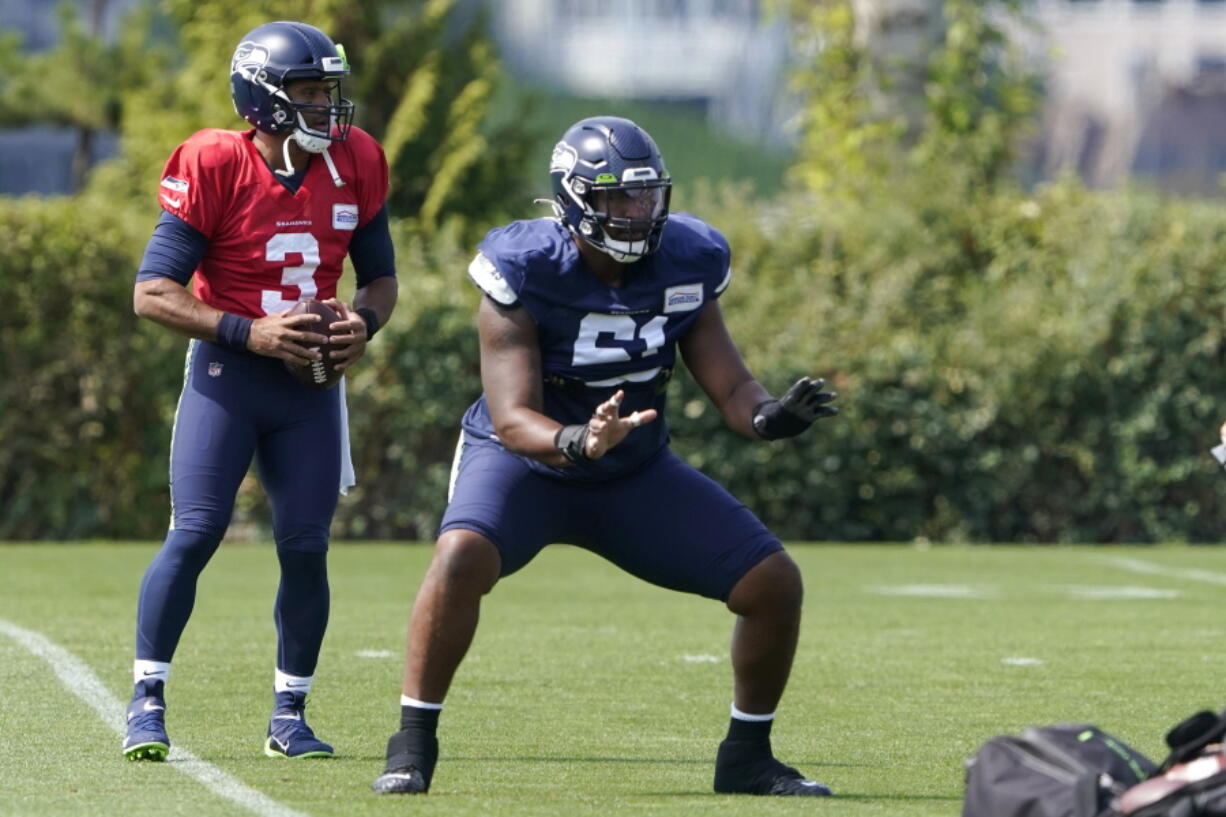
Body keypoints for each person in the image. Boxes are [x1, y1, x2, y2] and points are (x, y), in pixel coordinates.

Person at [372, 116, 838, 797]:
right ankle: (412, 743)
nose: (637, 212)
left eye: (646, 196)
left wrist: (769, 417)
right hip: (527, 465)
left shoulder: (689, 258)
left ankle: (747, 757)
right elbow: (510, 416)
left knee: (773, 583)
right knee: (459, 555)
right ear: (574, 198)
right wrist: (575, 441)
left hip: (633, 472)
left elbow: (730, 383)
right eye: (619, 197)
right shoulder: (523, 264)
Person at [122, 20, 398, 762]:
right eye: (309, 92)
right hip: (230, 373)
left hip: (309, 380)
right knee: (198, 528)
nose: (327, 108)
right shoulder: (215, 160)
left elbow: (380, 278)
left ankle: (290, 714)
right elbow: (153, 292)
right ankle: (146, 701)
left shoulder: (356, 160)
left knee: (306, 546)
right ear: (265, 100)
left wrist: (363, 323)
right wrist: (251, 333)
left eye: (328, 91)